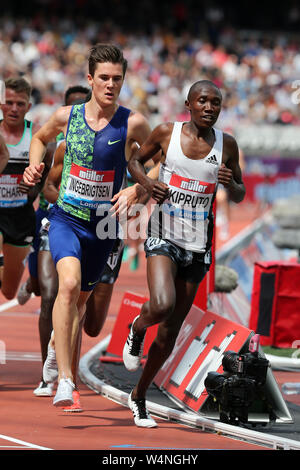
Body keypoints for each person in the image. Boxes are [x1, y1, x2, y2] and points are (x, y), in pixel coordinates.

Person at [23, 43, 159, 408]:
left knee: (80, 302)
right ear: (90, 79)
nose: (110, 85)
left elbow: (161, 160)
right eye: (103, 78)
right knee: (66, 286)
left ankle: (56, 345)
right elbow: (38, 138)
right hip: (66, 217)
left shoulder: (133, 123)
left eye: (117, 79)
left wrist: (136, 187)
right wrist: (34, 165)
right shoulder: (67, 116)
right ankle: (66, 380)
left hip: (103, 227)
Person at [123, 79, 246, 427]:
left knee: (169, 332)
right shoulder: (167, 133)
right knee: (160, 305)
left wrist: (230, 183)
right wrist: (148, 184)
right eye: (203, 101)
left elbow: (239, 193)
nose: (209, 107)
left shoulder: (227, 145)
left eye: (216, 103)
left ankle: (139, 396)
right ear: (189, 104)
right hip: (163, 234)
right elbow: (134, 160)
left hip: (198, 246)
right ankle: (137, 326)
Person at [16, 85, 91, 399]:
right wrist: (28, 184)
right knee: (53, 293)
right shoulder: (53, 147)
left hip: (92, 228)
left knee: (90, 317)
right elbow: (41, 188)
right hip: (53, 220)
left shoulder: (104, 142)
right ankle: (52, 376)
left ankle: (33, 281)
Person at [0, 77, 52, 300]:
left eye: (20, 103)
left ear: (28, 107)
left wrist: (34, 187)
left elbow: (49, 169)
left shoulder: (37, 136)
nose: (14, 108)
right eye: (9, 102)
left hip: (20, 216)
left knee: (9, 291)